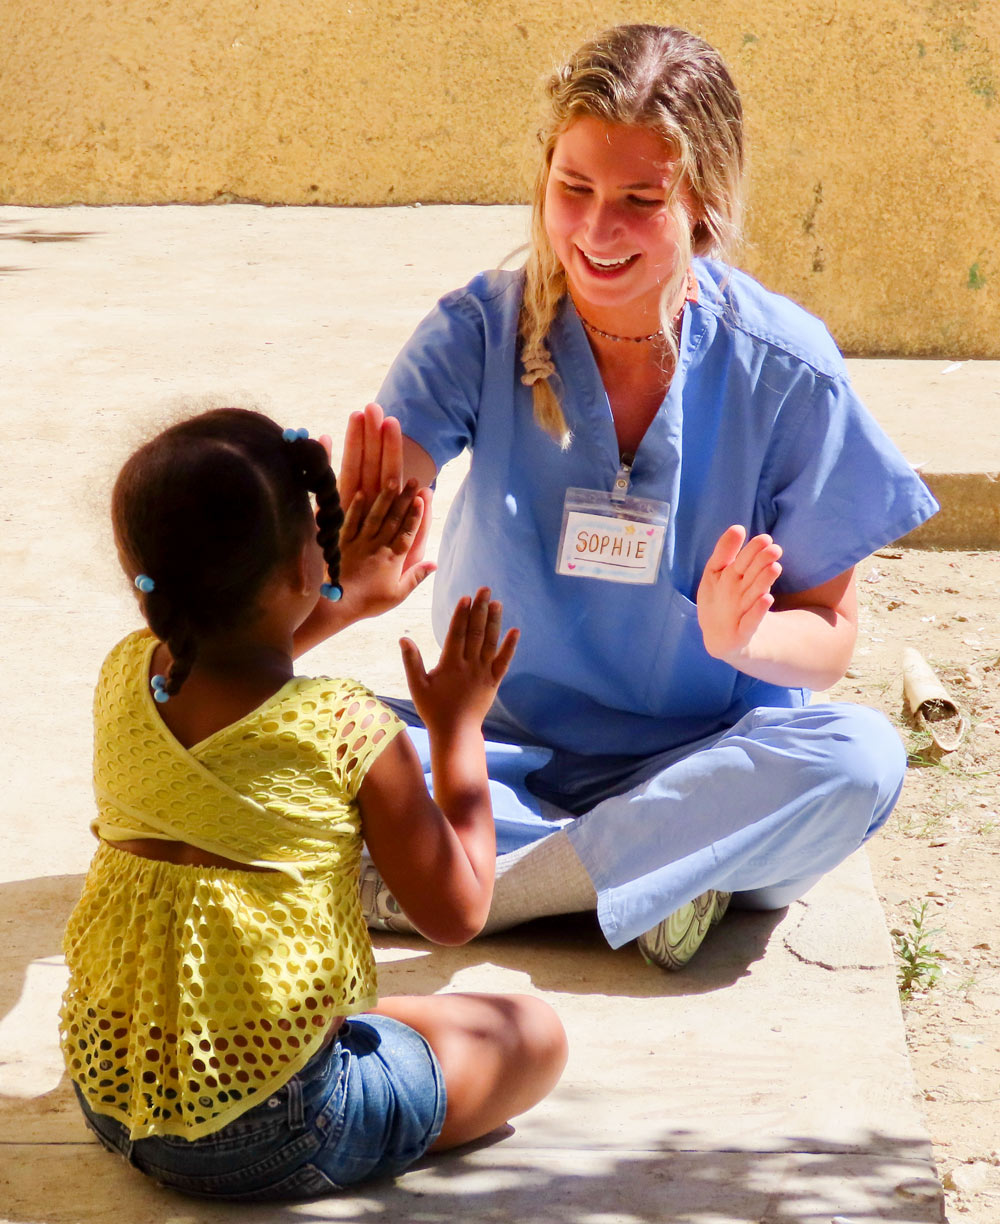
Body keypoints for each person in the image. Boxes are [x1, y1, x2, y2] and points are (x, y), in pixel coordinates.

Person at [342, 23, 939, 970]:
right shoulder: (481, 333)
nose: (595, 230)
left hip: (706, 762)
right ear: (544, 174)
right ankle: (652, 881)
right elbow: (364, 539)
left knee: (856, 762)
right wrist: (352, 580)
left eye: (639, 200)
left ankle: (472, 895)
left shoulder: (787, 372)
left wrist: (742, 641)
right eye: (573, 189)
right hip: (483, 758)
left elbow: (829, 640)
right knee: (277, 737)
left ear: (704, 207)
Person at [59, 408, 566, 1200]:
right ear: (306, 563)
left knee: (399, 1015)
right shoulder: (348, 729)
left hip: (115, 1096)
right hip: (278, 1132)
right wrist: (456, 728)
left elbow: (231, 677)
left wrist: (346, 598)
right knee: (532, 1034)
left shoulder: (127, 678)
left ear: (145, 575)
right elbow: (458, 912)